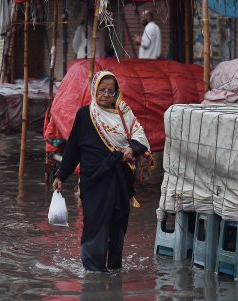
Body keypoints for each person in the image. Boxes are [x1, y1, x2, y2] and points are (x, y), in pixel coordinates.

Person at [52, 70, 150, 272]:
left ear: (117, 93)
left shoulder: (123, 113)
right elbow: (73, 149)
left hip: (120, 179)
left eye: (111, 91)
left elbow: (140, 136)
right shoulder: (84, 115)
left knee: (118, 222)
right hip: (94, 180)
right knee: (95, 223)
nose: (106, 95)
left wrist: (131, 148)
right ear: (94, 90)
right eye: (102, 90)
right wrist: (61, 175)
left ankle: (114, 268)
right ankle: (93, 270)